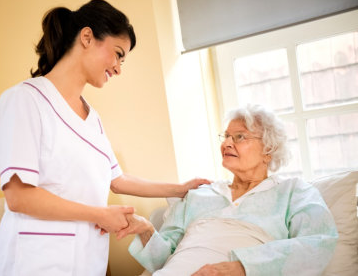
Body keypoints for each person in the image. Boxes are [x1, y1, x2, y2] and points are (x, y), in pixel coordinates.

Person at [0, 0, 210, 275]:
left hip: (87, 261)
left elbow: (117, 180)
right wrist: (100, 214)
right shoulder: (24, 100)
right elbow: (19, 198)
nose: (118, 68)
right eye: (118, 54)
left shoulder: (92, 118)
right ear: (87, 37)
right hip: (36, 261)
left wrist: (179, 189)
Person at [118, 105, 338, 276]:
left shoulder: (293, 191)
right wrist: (146, 230)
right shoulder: (199, 194)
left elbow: (318, 244)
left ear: (269, 150)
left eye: (239, 137)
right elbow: (162, 259)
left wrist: (243, 267)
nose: (227, 144)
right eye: (226, 136)